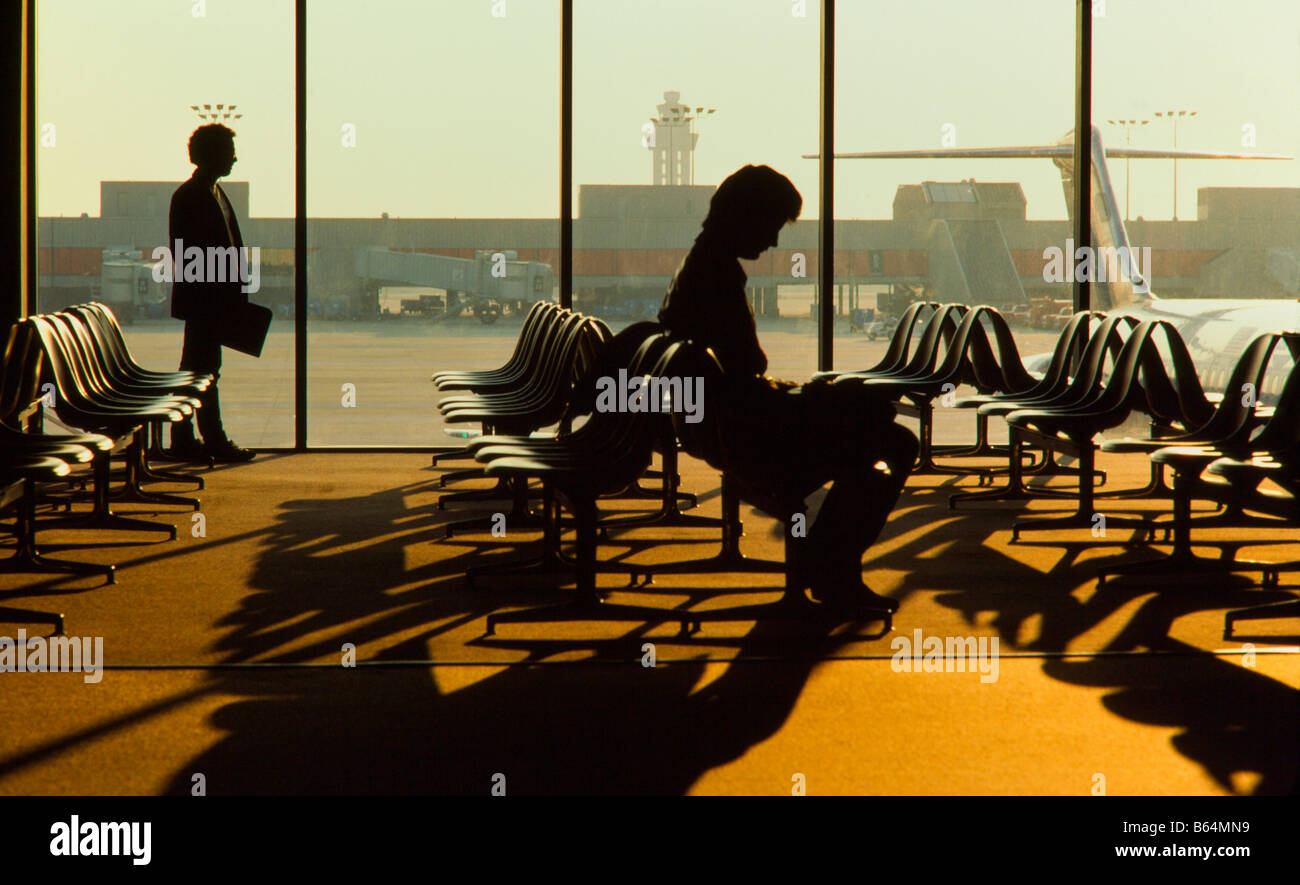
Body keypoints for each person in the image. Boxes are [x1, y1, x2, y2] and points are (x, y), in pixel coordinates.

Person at [659, 164, 918, 613]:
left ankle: (826, 563)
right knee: (891, 439)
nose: (775, 241)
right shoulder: (716, 277)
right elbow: (745, 374)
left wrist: (803, 393)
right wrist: (814, 396)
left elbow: (738, 378)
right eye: (772, 226)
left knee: (869, 415)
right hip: (746, 438)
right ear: (746, 217)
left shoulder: (697, 267)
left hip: (720, 428)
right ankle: (831, 569)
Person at [165, 123, 256, 463]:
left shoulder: (210, 192)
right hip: (206, 302)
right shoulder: (194, 196)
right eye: (228, 150)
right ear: (212, 155)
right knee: (202, 371)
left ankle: (186, 438)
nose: (234, 157)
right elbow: (194, 256)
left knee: (198, 370)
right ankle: (209, 439)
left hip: (212, 301)